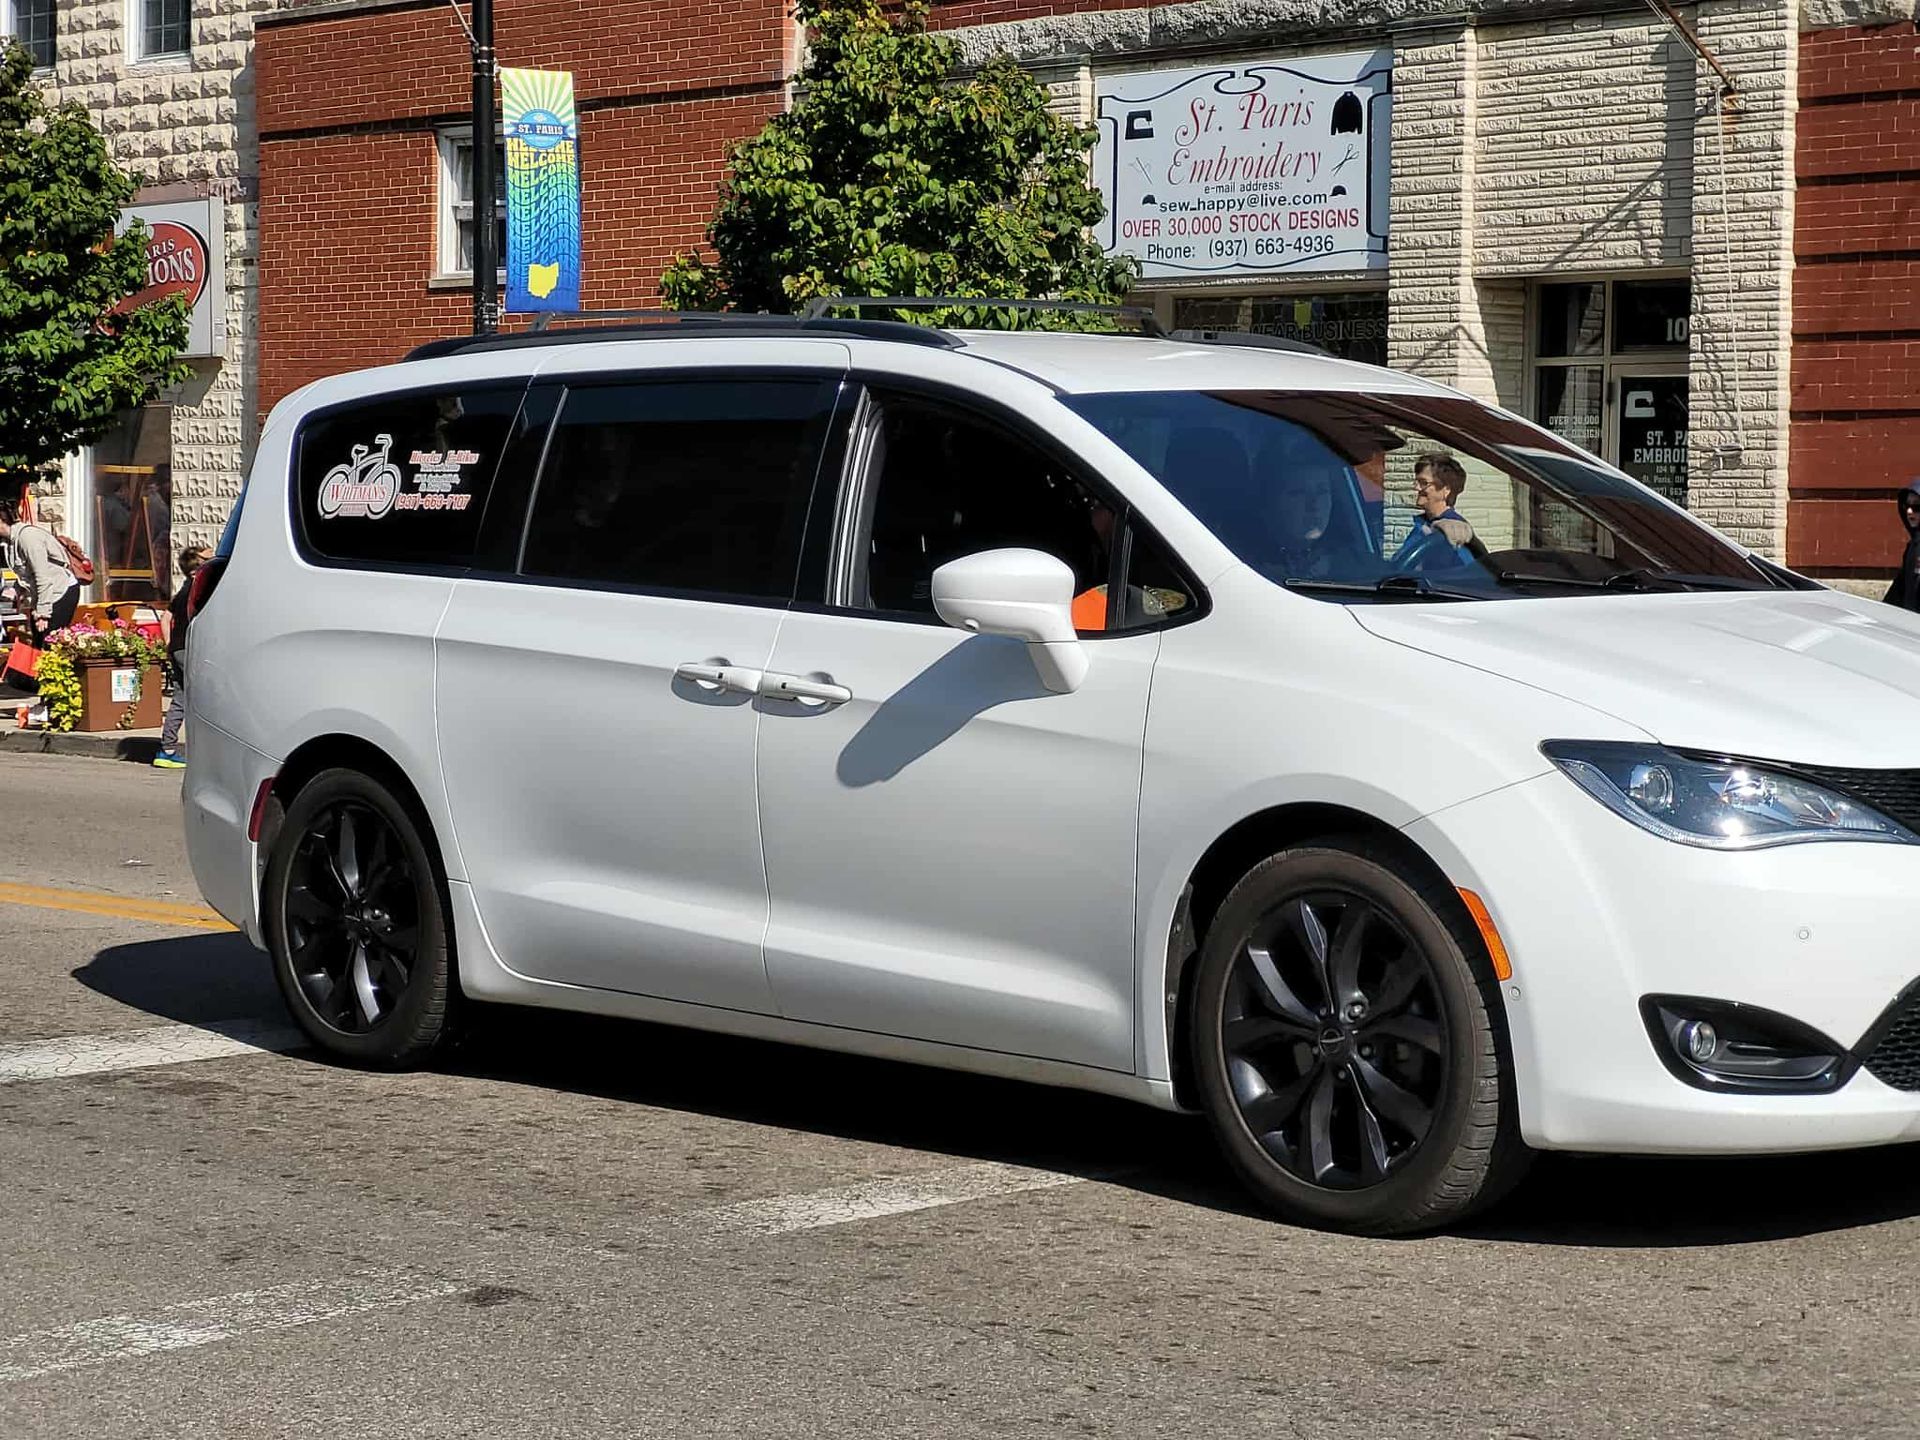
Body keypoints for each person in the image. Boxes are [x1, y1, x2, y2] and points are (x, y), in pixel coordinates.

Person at [153, 545, 211, 769]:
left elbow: (165, 618)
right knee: (201, 697)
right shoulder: (198, 591)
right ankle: (197, 748)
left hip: (177, 649)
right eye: (207, 561)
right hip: (189, 649)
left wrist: (169, 644)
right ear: (197, 570)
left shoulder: (184, 590)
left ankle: (167, 748)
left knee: (181, 698)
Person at [0, 499, 79, 644]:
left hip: (60, 591)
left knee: (50, 642)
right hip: (45, 595)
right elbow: (27, 573)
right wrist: (16, 590)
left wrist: (43, 613)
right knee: (38, 644)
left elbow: (42, 576)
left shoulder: (28, 538)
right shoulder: (10, 541)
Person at [1391, 452, 1476, 570]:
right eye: (1417, 482)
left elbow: (1467, 575)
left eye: (1424, 483)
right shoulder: (1424, 524)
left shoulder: (1455, 532)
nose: (1416, 488)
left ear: (1446, 490)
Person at [1884, 479, 1920, 612]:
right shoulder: (1913, 546)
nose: (1910, 512)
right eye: (1907, 506)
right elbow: (1898, 590)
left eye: (1917, 507)